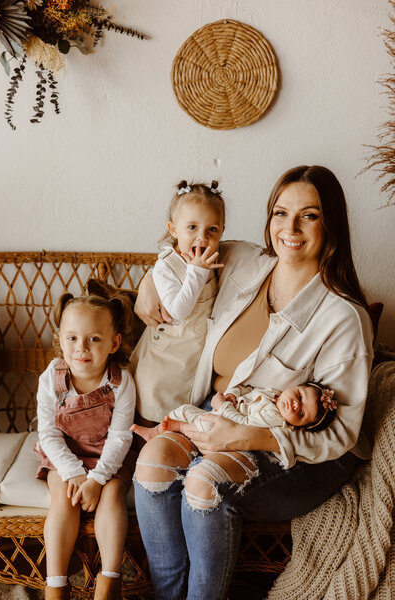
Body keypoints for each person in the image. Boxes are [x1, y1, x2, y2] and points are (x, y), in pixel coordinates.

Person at [132, 165, 374, 600]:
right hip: (218, 412)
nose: (291, 228)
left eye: (310, 215)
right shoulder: (243, 260)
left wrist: (244, 436)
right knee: (152, 461)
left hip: (287, 447)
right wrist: (148, 284)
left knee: (203, 483)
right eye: (280, 213)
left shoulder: (344, 317)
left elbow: (341, 434)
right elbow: (184, 245)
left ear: (331, 223)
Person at [34, 293, 136, 600]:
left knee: (113, 493)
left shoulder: (120, 382)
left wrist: (97, 479)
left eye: (93, 338)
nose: (81, 347)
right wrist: (76, 474)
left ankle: (109, 581)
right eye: (73, 338)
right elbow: (49, 434)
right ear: (60, 340)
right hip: (63, 455)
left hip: (108, 456)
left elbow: (120, 438)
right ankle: (56, 584)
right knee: (63, 499)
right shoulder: (52, 378)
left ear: (114, 344)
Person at [130, 179, 225, 422]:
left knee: (180, 414)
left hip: (191, 357)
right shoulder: (166, 266)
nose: (201, 238)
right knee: (153, 408)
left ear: (222, 231)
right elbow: (179, 310)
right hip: (164, 359)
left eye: (212, 230)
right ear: (173, 229)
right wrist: (197, 271)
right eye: (191, 227)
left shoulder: (213, 260)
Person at [131, 382, 338, 453]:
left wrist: (223, 405)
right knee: (185, 408)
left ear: (300, 427)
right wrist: (233, 395)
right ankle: (159, 430)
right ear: (296, 387)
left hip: (224, 431)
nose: (294, 404)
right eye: (300, 396)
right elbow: (248, 389)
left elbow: (241, 423)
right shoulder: (273, 393)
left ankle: (180, 428)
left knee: (201, 425)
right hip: (218, 414)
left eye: (301, 413)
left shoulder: (274, 418)